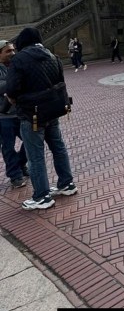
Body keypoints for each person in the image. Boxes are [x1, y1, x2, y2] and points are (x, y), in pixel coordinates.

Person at [5, 28, 77, 210]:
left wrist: (12, 98)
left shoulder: (19, 60)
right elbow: (59, 81)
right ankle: (67, 184)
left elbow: (12, 89)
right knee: (58, 147)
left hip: (32, 114)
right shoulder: (52, 56)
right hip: (53, 110)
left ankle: (42, 196)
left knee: (35, 156)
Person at [0, 40, 28, 188]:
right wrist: (15, 81)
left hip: (20, 113)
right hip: (3, 116)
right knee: (8, 147)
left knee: (29, 141)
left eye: (13, 50)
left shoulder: (16, 65)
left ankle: (20, 164)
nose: (12, 53)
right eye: (8, 51)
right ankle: (15, 176)